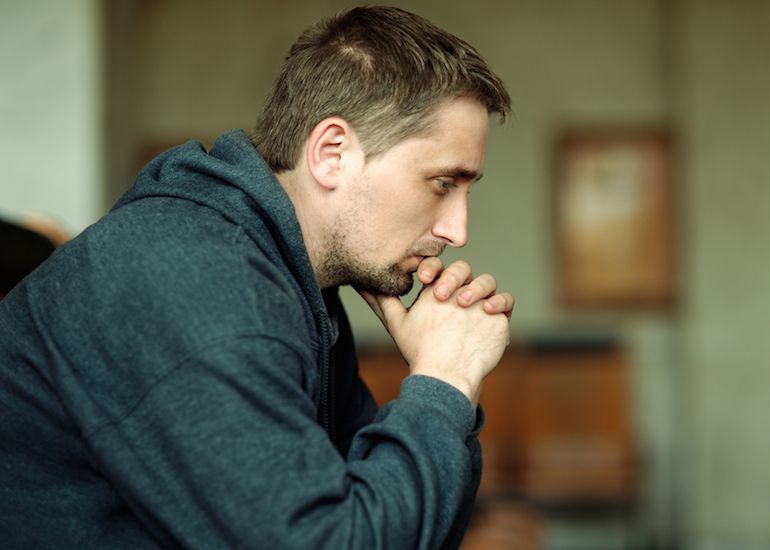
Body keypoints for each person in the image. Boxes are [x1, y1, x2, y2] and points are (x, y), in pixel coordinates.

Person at [0, 6, 513, 549]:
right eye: (441, 183)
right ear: (332, 154)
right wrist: (443, 382)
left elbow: (405, 527)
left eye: (466, 191)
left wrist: (445, 391)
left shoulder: (294, 281)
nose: (457, 230)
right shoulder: (199, 286)